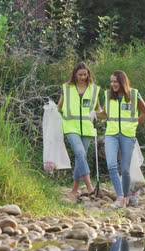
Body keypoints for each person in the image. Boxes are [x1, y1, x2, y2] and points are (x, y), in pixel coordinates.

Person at [100, 70, 145, 208]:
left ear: (122, 82)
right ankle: (121, 197)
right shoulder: (108, 95)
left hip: (127, 135)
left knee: (125, 169)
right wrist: (94, 114)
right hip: (111, 134)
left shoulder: (134, 94)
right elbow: (104, 114)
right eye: (112, 81)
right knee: (111, 165)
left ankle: (127, 196)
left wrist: (135, 125)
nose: (113, 84)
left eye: (115, 81)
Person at [58, 62, 103, 200]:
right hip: (71, 126)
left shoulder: (94, 89)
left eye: (85, 74)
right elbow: (59, 107)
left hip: (87, 128)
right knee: (80, 152)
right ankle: (89, 186)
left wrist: (97, 114)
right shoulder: (66, 88)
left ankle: (74, 190)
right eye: (80, 74)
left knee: (80, 158)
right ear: (75, 74)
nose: (83, 77)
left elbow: (98, 109)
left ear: (88, 74)